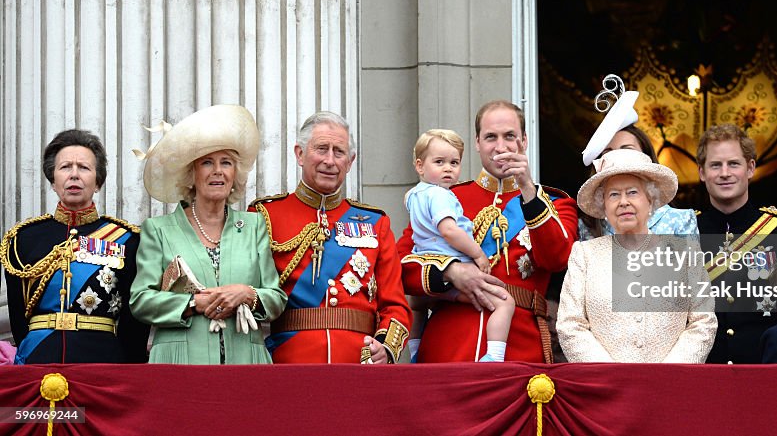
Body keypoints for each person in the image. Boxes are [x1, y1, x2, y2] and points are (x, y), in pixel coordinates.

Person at [399, 100, 578, 363]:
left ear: (524, 141)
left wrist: (528, 189)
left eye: (510, 136)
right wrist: (450, 271)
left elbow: (557, 258)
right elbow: (400, 266)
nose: (501, 146)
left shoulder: (554, 203)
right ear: (477, 143)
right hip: (448, 348)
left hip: (519, 350)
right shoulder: (444, 197)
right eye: (490, 137)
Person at [130, 105, 286, 364]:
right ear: (191, 174)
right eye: (207, 162)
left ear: (235, 175)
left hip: (245, 361)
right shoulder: (157, 230)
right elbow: (141, 300)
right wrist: (193, 304)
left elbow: (276, 299)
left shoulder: (254, 226)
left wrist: (246, 294)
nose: (217, 171)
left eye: (226, 163)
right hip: (178, 361)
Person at [249, 112, 410, 364]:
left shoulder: (375, 222)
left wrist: (385, 348)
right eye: (321, 149)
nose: (330, 160)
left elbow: (395, 305)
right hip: (288, 360)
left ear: (350, 161)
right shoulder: (265, 215)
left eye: (339, 152)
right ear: (300, 154)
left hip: (358, 362)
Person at [1, 130, 148, 364]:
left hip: (103, 361)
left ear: (98, 182)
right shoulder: (22, 239)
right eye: (65, 167)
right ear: (53, 180)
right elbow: (19, 319)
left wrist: (130, 369)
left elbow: (134, 322)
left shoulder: (127, 240)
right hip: (38, 357)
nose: (74, 175)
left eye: (84, 167)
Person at [558, 149, 716, 362]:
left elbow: (703, 321)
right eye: (614, 194)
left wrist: (669, 373)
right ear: (603, 205)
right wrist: (611, 375)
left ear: (650, 201)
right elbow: (570, 324)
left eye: (632, 192)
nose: (623, 202)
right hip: (606, 387)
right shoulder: (585, 255)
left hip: (670, 386)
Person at [696, 124, 777, 364]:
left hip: (768, 369)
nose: (725, 173)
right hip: (702, 373)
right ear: (702, 173)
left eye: (733, 164)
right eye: (715, 165)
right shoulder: (685, 233)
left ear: (751, 168)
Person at [404, 129, 514, 362]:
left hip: (429, 274)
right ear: (420, 166)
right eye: (440, 162)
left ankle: (414, 352)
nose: (448, 168)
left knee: (417, 306)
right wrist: (478, 254)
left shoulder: (413, 195)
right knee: (505, 302)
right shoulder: (442, 196)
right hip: (453, 268)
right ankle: (494, 356)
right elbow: (449, 230)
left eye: (454, 162)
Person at [579, 124, 698, 240]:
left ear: (646, 155)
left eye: (627, 149)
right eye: (608, 152)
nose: (617, 157)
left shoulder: (680, 220)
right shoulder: (586, 226)